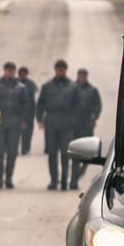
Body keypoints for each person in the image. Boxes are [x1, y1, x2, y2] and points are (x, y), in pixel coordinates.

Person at [35, 59, 77, 190]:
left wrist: (75, 121)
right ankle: (54, 181)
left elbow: (77, 105)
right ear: (55, 70)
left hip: (66, 122)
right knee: (52, 153)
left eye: (62, 69)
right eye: (58, 69)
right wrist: (39, 119)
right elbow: (40, 103)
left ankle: (64, 181)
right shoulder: (47, 86)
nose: (60, 71)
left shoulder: (73, 86)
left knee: (65, 153)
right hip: (51, 122)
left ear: (65, 70)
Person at [0, 61, 30, 188]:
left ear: (15, 72)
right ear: (4, 71)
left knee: (12, 153)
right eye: (8, 70)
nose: (10, 72)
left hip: (15, 124)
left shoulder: (21, 88)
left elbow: (26, 105)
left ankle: (9, 178)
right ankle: (0, 178)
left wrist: (23, 120)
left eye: (12, 70)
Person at [67, 67, 103, 190]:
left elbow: (98, 105)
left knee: (87, 155)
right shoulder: (71, 89)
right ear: (78, 76)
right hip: (74, 125)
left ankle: (78, 174)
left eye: (84, 75)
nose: (82, 77)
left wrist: (95, 117)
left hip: (87, 124)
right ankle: (73, 180)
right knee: (75, 153)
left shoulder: (92, 90)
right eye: (80, 75)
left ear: (86, 76)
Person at [17, 66, 37, 154]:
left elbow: (34, 99)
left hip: (29, 112)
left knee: (27, 132)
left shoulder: (31, 84)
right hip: (18, 112)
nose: (23, 75)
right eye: (21, 73)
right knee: (17, 132)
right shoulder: (15, 82)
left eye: (24, 73)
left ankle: (25, 149)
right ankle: (16, 149)